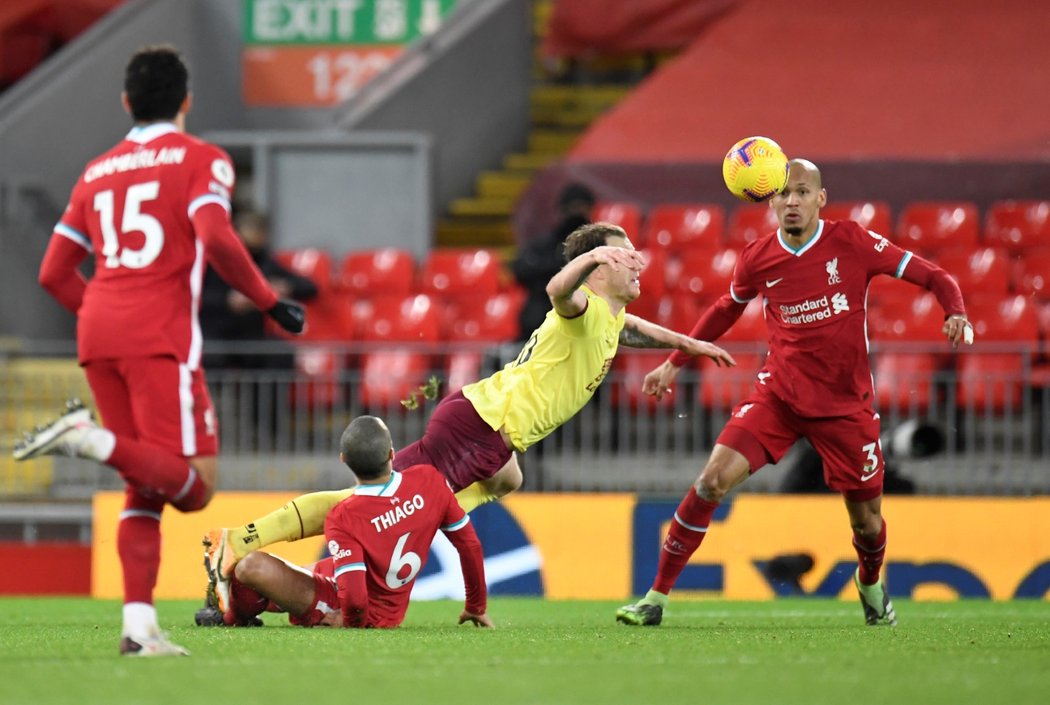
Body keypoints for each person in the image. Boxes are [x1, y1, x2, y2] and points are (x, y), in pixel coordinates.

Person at [201, 221, 737, 615]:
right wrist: (596, 252)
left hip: (490, 437)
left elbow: (637, 328)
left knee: (508, 478)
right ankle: (241, 540)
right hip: (477, 425)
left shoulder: (611, 318)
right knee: (365, 504)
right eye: (625, 258)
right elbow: (556, 290)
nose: (637, 263)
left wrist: (690, 345)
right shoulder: (580, 308)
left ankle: (373, 540)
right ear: (596, 269)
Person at [11, 45, 306, 657]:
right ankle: (85, 436)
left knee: (143, 489)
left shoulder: (96, 171)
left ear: (126, 102)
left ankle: (140, 628)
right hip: (159, 338)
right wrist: (269, 301)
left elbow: (52, 272)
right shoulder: (202, 160)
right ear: (186, 102)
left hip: (99, 333)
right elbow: (216, 236)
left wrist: (99, 310)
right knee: (196, 487)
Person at [615, 159, 973, 628]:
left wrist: (956, 312)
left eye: (802, 192)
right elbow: (726, 309)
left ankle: (869, 583)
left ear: (820, 199)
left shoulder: (853, 242)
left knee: (866, 522)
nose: (791, 202)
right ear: (770, 202)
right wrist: (673, 361)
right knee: (710, 482)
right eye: (782, 194)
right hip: (778, 398)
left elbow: (935, 276)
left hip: (845, 407)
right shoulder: (758, 257)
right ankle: (655, 598)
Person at [215, 415, 491, 629]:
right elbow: (470, 546)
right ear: (392, 454)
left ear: (343, 461)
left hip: (362, 610)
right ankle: (254, 603)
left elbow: (356, 597)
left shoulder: (345, 515)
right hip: (379, 596)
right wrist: (476, 606)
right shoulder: (430, 481)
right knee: (296, 573)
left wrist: (348, 621)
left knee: (250, 568)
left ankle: (233, 618)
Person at [199, 209, 318, 370]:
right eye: (252, 229)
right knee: (208, 356)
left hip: (250, 336)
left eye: (261, 230)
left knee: (280, 353)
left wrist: (283, 287)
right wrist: (228, 301)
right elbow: (194, 296)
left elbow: (310, 287)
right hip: (215, 335)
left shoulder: (264, 261)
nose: (257, 235)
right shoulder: (212, 260)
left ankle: (264, 396)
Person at [511, 182, 595, 340]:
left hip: (583, 315)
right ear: (562, 210)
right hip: (543, 313)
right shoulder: (544, 244)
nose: (576, 214)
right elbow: (520, 270)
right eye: (572, 208)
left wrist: (550, 270)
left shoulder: (598, 245)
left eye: (581, 208)